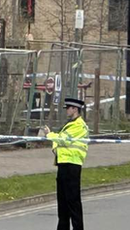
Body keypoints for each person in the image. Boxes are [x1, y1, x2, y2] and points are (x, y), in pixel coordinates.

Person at [44, 97, 89, 230]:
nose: (66, 111)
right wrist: (54, 139)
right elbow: (60, 142)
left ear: (75, 109)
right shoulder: (70, 124)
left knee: (73, 203)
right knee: (62, 203)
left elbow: (64, 140)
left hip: (72, 166)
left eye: (68, 108)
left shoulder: (79, 125)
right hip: (63, 165)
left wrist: (50, 135)